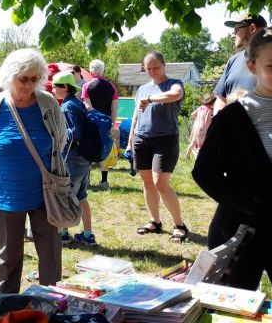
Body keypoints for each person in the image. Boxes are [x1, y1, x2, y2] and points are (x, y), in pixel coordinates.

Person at [192, 26, 272, 305]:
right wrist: (254, 204)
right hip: (242, 231)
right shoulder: (234, 117)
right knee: (231, 307)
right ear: (253, 66)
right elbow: (205, 172)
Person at [0, 48, 64, 292]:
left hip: (45, 193)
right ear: (8, 76)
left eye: (35, 78)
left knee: (50, 256)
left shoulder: (48, 104)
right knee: (8, 259)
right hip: (4, 193)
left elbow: (60, 141)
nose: (29, 84)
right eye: (23, 78)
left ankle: (50, 305)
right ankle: (5, 308)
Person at [126, 52, 188, 242]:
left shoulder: (174, 83)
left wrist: (152, 99)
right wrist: (130, 141)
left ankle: (179, 224)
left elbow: (176, 94)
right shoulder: (142, 88)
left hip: (165, 139)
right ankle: (155, 221)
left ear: (164, 65)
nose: (152, 71)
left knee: (160, 182)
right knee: (147, 183)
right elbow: (136, 117)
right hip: (141, 139)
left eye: (156, 67)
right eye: (148, 68)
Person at [52, 71, 97, 246]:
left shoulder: (68, 106)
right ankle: (87, 234)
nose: (53, 89)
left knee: (65, 196)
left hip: (72, 158)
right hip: (83, 158)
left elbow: (75, 133)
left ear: (65, 87)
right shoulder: (77, 102)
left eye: (56, 86)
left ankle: (63, 234)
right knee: (82, 196)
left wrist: (58, 134)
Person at [214, 14, 268, 114]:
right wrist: (218, 123)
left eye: (236, 30)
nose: (232, 35)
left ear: (252, 28)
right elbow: (221, 99)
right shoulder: (233, 60)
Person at [81, 59, 118, 189]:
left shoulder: (86, 86)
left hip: (91, 124)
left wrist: (96, 117)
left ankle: (87, 181)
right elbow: (114, 108)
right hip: (106, 123)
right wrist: (112, 124)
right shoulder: (111, 86)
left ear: (91, 71)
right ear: (102, 70)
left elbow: (87, 105)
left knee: (89, 149)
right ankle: (104, 181)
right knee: (104, 149)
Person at [185, 93, 215, 159]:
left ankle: (187, 156)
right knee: (201, 145)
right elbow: (207, 121)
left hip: (196, 127)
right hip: (202, 129)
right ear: (212, 103)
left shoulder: (201, 107)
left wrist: (198, 119)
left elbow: (192, 115)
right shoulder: (209, 110)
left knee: (193, 142)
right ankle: (197, 158)